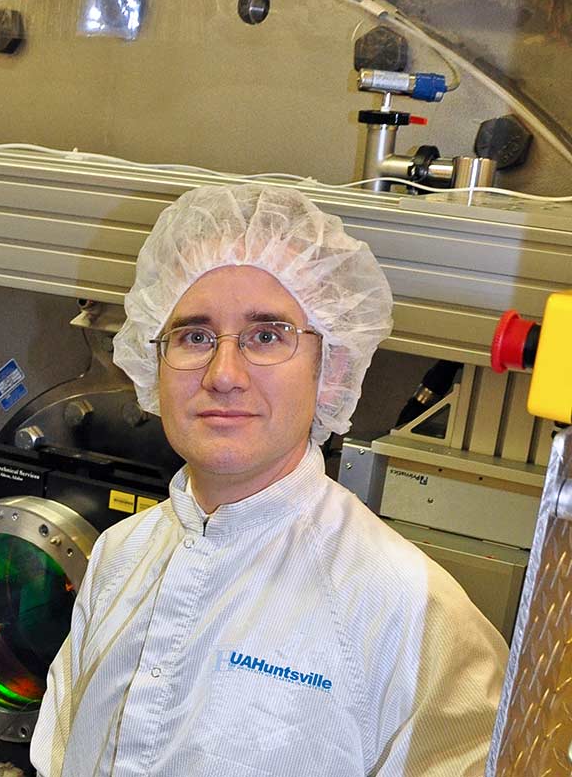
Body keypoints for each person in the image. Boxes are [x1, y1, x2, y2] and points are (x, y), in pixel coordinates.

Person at [30, 185, 508, 776]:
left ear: (328, 367)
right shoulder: (119, 555)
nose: (223, 374)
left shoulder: (408, 611)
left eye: (267, 336)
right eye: (195, 336)